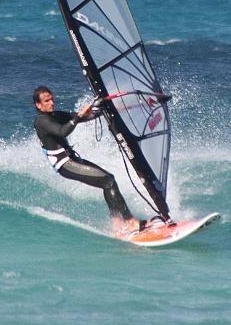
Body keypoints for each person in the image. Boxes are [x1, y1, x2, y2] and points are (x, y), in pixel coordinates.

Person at [32, 85, 146, 233]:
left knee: (108, 181)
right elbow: (62, 131)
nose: (52, 103)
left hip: (72, 159)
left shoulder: (54, 115)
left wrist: (98, 109)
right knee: (108, 181)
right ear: (38, 105)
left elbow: (81, 117)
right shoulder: (41, 121)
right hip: (65, 164)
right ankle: (130, 221)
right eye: (47, 101)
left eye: (52, 99)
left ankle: (117, 223)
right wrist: (78, 116)